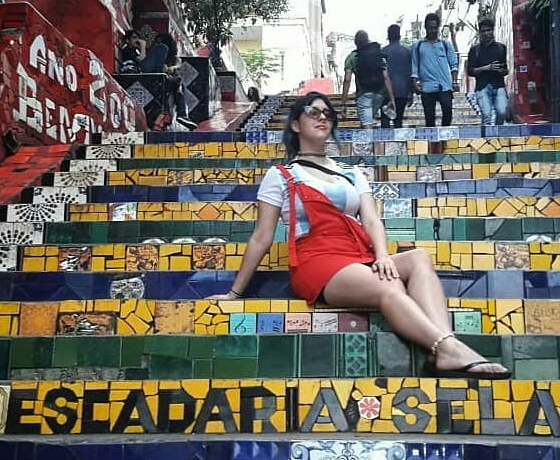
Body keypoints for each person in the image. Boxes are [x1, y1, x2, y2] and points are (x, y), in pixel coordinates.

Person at [210, 91, 511, 380]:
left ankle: (445, 346)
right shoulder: (280, 175)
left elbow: (370, 219)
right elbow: (261, 237)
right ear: (295, 125)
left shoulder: (350, 172)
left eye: (328, 114)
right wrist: (235, 293)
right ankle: (448, 348)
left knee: (418, 258)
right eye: (312, 112)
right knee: (389, 285)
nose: (322, 117)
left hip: (358, 255)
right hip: (317, 261)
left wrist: (382, 255)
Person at [410, 12, 459, 127]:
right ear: (426, 28)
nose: (433, 30)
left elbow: (454, 65)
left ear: (438, 28)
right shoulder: (418, 46)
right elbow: (414, 66)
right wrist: (414, 83)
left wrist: (454, 82)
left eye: (435, 28)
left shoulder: (445, 45)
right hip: (427, 87)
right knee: (429, 119)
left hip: (444, 86)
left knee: (448, 112)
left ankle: (445, 134)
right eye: (430, 28)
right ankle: (431, 138)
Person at [340, 30, 396, 128]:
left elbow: (347, 80)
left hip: (363, 94)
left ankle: (368, 137)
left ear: (355, 42)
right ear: (368, 41)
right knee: (367, 122)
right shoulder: (378, 54)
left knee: (367, 126)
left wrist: (343, 103)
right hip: (379, 95)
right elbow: (386, 77)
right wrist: (392, 99)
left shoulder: (352, 57)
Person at [141, 33, 194, 130]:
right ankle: (181, 114)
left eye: (159, 42)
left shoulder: (174, 59)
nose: (156, 44)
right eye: (156, 42)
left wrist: (170, 69)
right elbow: (143, 64)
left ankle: (182, 115)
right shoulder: (157, 51)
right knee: (163, 49)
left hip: (163, 82)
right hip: (150, 76)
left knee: (179, 82)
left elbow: (177, 65)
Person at [465, 18, 509, 125]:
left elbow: (505, 70)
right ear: (479, 33)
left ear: (492, 31)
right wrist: (486, 68)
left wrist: (501, 70)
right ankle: (487, 136)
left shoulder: (501, 48)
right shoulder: (475, 50)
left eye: (488, 30)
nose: (486, 33)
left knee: (502, 112)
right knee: (487, 116)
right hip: (482, 87)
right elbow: (470, 71)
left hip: (499, 85)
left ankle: (498, 133)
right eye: (483, 31)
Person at [380, 24, 413, 129]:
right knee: (398, 120)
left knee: (385, 120)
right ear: (399, 36)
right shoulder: (407, 52)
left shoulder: (382, 52)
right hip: (402, 90)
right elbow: (410, 73)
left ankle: (385, 139)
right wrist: (411, 93)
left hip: (385, 91)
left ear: (388, 36)